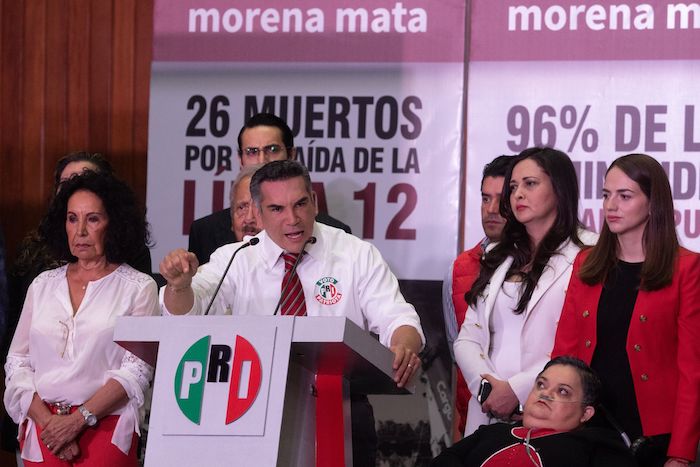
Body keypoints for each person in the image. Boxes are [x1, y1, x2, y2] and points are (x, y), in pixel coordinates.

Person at [160, 160, 424, 467]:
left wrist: (404, 345)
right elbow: (188, 314)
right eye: (277, 209)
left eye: (300, 204)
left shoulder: (355, 254)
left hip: (342, 408)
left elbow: (398, 318)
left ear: (314, 202)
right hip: (252, 413)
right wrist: (180, 287)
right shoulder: (236, 259)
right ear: (257, 214)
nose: (293, 219)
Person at [2, 151, 154, 457]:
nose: (81, 231)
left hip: (105, 429)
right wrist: (48, 423)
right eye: (72, 219)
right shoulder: (42, 284)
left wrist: (78, 420)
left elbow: (137, 371)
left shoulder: (139, 287)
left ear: (114, 223)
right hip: (43, 431)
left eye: (93, 219)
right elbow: (17, 363)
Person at [552, 153, 700, 467]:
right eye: (606, 195)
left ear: (653, 203)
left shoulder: (687, 268)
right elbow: (564, 353)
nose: (610, 205)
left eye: (625, 196)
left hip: (653, 437)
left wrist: (681, 454)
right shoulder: (586, 263)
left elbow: (693, 371)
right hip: (586, 427)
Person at [454, 147, 597, 437]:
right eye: (514, 187)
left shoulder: (591, 253)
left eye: (530, 184)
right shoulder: (497, 255)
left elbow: (581, 343)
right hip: (487, 413)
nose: (517, 194)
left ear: (559, 188)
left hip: (553, 414)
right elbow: (468, 337)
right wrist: (489, 391)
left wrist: (517, 390)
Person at [188, 113, 351, 265]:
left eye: (272, 150)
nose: (262, 160)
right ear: (240, 159)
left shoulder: (336, 233)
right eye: (252, 152)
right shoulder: (206, 232)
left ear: (291, 154)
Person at [430, 356, 636, 466]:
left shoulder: (597, 447)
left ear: (586, 413)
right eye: (541, 384)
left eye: (562, 391)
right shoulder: (489, 433)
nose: (545, 394)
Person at [442, 154, 512, 437]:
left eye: (501, 200)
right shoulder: (459, 268)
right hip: (474, 426)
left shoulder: (553, 265)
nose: (491, 209)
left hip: (533, 425)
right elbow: (457, 359)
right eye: (485, 199)